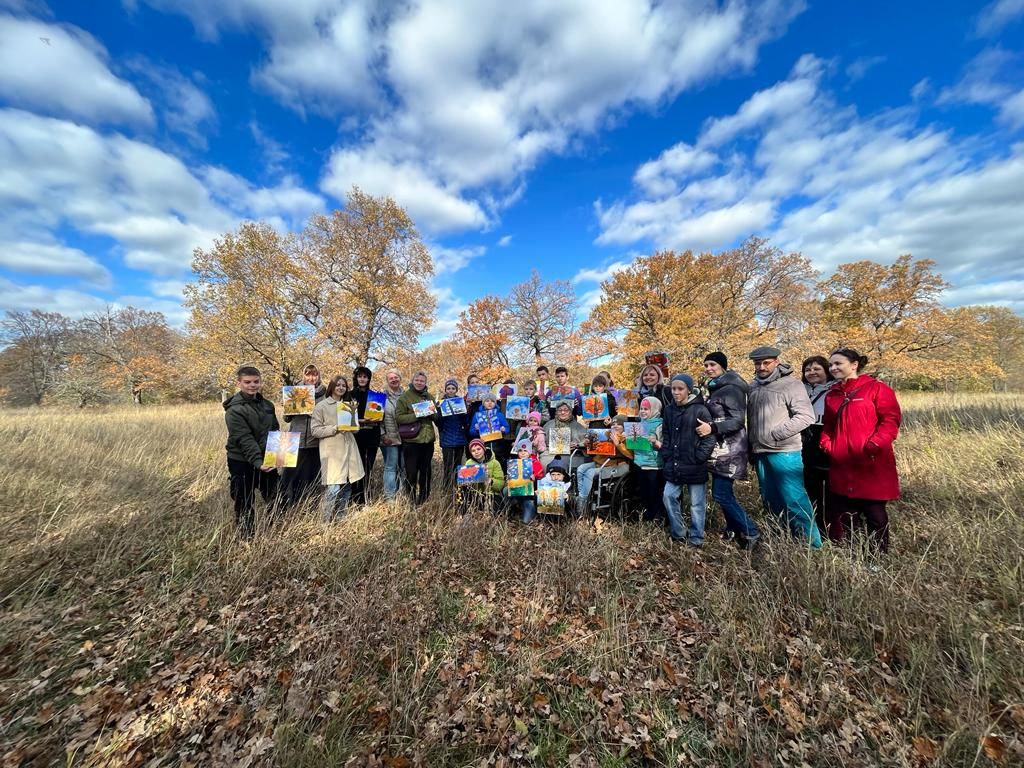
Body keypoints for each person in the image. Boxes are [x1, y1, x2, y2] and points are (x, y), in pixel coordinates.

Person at [820, 348, 902, 553]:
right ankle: (856, 551)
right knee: (847, 513)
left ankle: (878, 555)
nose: (833, 368)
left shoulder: (876, 389)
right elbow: (828, 426)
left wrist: (873, 445)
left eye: (838, 363)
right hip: (842, 462)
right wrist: (828, 444)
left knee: (874, 512)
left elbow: (890, 421)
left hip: (870, 462)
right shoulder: (832, 395)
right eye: (831, 365)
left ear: (854, 364)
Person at [746, 346, 822, 548]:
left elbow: (806, 416)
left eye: (766, 362)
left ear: (776, 362)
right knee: (770, 498)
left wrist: (777, 434)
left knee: (794, 498)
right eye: (757, 363)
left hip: (784, 451)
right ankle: (783, 537)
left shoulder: (791, 385)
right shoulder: (753, 386)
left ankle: (812, 545)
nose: (761, 367)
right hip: (760, 451)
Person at [699, 352, 761, 549]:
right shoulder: (716, 387)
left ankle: (751, 530)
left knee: (721, 494)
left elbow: (736, 420)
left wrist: (713, 428)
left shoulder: (732, 388)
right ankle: (733, 529)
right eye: (706, 365)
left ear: (723, 366)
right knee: (722, 492)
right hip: (719, 448)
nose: (709, 368)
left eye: (712, 364)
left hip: (731, 447)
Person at [223, 365, 280, 538]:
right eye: (247, 382)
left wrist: (279, 455)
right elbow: (244, 439)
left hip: (267, 459)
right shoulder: (234, 410)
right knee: (244, 500)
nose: (252, 385)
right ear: (239, 383)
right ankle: (247, 539)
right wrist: (258, 462)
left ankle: (275, 531)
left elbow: (275, 431)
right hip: (241, 461)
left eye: (256, 381)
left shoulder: (268, 405)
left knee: (276, 495)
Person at [659, 374, 716, 546]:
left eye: (680, 389)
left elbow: (709, 437)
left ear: (689, 390)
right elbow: (667, 434)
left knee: (696, 503)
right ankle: (679, 532)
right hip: (674, 462)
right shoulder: (669, 410)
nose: (675, 392)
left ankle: (696, 537)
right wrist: (667, 454)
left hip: (694, 464)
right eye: (673, 389)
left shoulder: (700, 410)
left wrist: (699, 457)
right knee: (668, 496)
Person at [310, 375, 365, 521]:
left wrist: (353, 426)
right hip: (332, 451)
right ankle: (325, 521)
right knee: (333, 487)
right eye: (338, 385)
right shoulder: (321, 406)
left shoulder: (349, 405)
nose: (341, 388)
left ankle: (341, 516)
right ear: (332, 387)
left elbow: (356, 429)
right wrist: (335, 428)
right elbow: (315, 430)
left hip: (349, 448)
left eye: (343, 385)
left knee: (347, 485)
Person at [611, 396, 664, 521]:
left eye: (647, 409)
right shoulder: (638, 424)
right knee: (644, 492)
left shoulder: (659, 425)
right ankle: (646, 515)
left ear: (655, 410)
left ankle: (657, 516)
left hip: (654, 464)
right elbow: (634, 444)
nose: (643, 411)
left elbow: (663, 445)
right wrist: (626, 436)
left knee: (654, 492)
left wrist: (655, 441)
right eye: (642, 409)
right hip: (639, 463)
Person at [281, 363, 326, 507]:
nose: (311, 378)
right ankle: (286, 505)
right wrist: (288, 407)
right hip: (294, 439)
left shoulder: (325, 394)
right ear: (303, 376)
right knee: (289, 476)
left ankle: (307, 506)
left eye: (314, 374)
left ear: (318, 376)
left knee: (310, 476)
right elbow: (287, 419)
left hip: (314, 441)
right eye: (308, 374)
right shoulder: (294, 391)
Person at [801, 355, 834, 531]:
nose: (811, 372)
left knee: (830, 488)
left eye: (816, 369)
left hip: (827, 437)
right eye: (808, 369)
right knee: (810, 486)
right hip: (806, 439)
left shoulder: (835, 389)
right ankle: (816, 525)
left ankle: (832, 525)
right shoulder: (800, 389)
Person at [395, 371, 437, 506]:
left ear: (425, 383)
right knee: (411, 473)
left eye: (422, 381)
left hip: (428, 440)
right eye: (417, 380)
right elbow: (399, 417)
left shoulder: (429, 397)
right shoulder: (404, 397)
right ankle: (411, 500)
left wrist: (431, 413)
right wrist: (417, 414)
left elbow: (436, 418)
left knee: (425, 473)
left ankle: (424, 499)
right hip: (412, 441)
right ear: (412, 381)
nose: (419, 383)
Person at [577, 421, 631, 517]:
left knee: (589, 473)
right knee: (581, 468)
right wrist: (588, 445)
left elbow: (630, 455)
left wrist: (618, 443)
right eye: (613, 424)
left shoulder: (627, 438)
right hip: (600, 462)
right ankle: (582, 496)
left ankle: (582, 504)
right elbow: (595, 452)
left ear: (624, 427)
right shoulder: (605, 434)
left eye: (618, 424)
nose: (615, 426)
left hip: (616, 465)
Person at [350, 366, 381, 505]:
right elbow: (346, 418)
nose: (362, 379)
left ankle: (365, 497)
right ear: (356, 378)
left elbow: (380, 415)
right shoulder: (350, 395)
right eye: (360, 376)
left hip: (372, 437)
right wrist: (361, 420)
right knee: (357, 467)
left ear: (368, 379)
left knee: (368, 467)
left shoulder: (375, 395)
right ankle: (354, 496)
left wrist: (379, 416)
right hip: (356, 437)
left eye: (365, 377)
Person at [457, 438, 506, 514]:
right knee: (461, 492)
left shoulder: (495, 463)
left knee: (498, 509)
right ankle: (462, 515)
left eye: (478, 449)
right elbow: (465, 481)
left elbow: (501, 484)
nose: (476, 452)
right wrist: (466, 483)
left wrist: (491, 481)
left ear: (484, 449)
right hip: (475, 494)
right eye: (473, 451)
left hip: (491, 494)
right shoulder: (469, 463)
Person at [438, 378, 469, 494]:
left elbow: (465, 422)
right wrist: (440, 412)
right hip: (447, 439)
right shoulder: (441, 403)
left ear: (456, 390)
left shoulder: (460, 402)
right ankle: (446, 489)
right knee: (447, 466)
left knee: (458, 466)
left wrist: (464, 413)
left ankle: (457, 489)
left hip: (459, 439)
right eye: (448, 388)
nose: (451, 390)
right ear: (445, 390)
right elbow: (438, 423)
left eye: (453, 388)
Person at [379, 369, 405, 501]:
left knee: (404, 467)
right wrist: (383, 435)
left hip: (406, 438)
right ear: (387, 381)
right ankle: (390, 497)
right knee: (391, 467)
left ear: (400, 379)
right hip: (389, 438)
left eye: (396, 377)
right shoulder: (381, 397)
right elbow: (376, 419)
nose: (394, 380)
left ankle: (401, 495)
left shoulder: (406, 396)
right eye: (391, 378)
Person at [540, 401, 589, 470]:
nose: (563, 412)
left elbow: (586, 441)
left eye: (566, 410)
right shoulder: (549, 424)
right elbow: (542, 441)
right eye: (560, 410)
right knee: (544, 460)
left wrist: (577, 444)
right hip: (550, 453)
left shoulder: (578, 426)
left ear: (570, 412)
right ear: (556, 412)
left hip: (572, 453)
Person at [507, 439, 544, 523]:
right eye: (520, 451)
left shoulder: (535, 463)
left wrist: (535, 477)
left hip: (529, 495)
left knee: (526, 521)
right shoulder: (514, 463)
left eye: (525, 451)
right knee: (506, 490)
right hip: (516, 492)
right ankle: (511, 510)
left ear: (530, 452)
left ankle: (527, 511)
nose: (523, 453)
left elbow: (541, 476)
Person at [469, 391, 511, 463]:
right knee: (486, 465)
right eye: (487, 401)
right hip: (484, 445)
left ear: (495, 403)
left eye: (492, 401)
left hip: (498, 445)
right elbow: (471, 432)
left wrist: (504, 429)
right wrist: (476, 429)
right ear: (483, 403)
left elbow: (507, 428)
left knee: (499, 464)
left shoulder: (499, 415)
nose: (490, 403)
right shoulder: (477, 415)